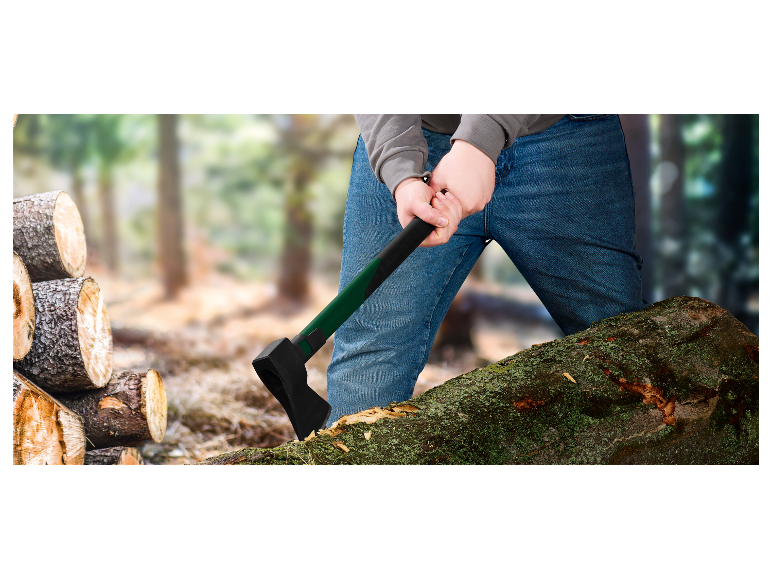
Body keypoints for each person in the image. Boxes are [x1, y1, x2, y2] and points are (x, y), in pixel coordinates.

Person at [325, 113, 646, 427]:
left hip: (565, 137)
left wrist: (481, 139)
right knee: (367, 367)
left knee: (622, 349)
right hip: (418, 134)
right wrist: (401, 170)